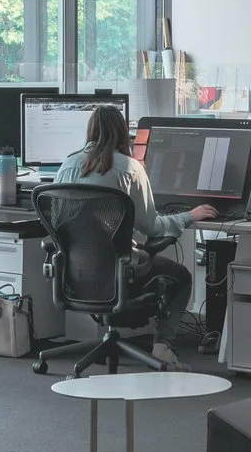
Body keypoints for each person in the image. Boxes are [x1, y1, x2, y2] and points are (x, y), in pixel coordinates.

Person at [52, 103, 213, 366]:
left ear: (90, 131)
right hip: (119, 272)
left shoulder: (67, 166)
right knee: (181, 277)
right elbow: (153, 227)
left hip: (74, 272)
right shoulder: (130, 169)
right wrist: (189, 216)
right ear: (122, 132)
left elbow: (60, 225)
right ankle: (162, 346)